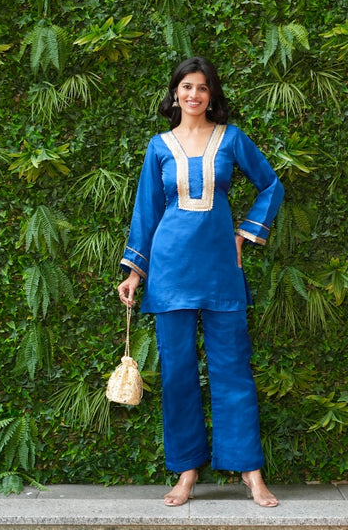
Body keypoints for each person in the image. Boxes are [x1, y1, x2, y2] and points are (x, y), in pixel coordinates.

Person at [117, 57, 284, 507]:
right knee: (177, 374)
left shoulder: (232, 139)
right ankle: (187, 472)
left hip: (221, 270)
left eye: (203, 88)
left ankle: (250, 472)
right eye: (187, 87)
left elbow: (271, 185)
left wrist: (244, 233)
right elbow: (147, 212)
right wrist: (135, 272)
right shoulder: (159, 146)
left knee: (234, 369)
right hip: (169, 272)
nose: (194, 95)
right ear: (175, 93)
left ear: (212, 96)